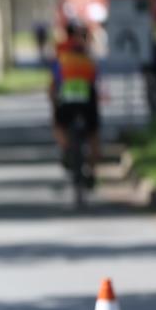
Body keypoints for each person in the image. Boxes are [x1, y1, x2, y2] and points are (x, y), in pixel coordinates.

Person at [50, 20, 100, 187]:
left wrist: (53, 102)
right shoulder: (88, 58)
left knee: (59, 124)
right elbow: (94, 81)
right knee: (93, 133)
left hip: (68, 97)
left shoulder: (62, 56)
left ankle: (66, 150)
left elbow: (54, 83)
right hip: (87, 99)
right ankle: (92, 170)